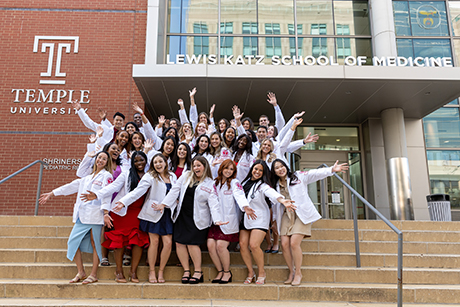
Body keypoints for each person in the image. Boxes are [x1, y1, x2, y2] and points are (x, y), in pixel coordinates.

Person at [38, 151, 113, 284]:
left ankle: (93, 274)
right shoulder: (87, 177)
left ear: (107, 162)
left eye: (104, 159)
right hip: (82, 215)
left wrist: (106, 213)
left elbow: (107, 195)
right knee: (72, 242)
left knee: (96, 243)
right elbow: (70, 186)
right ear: (96, 159)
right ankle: (81, 272)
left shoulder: (107, 176)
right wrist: (52, 193)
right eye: (99, 157)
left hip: (95, 214)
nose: (101, 160)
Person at [271, 158, 349, 286]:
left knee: (294, 243)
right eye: (277, 168)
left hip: (302, 214)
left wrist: (331, 169)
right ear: (274, 172)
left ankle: (298, 273)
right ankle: (291, 271)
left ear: (286, 166)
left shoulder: (298, 176)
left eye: (282, 166)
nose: (280, 169)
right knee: (284, 244)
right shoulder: (275, 184)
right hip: (286, 215)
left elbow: (314, 173)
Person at [153, 156, 227, 284]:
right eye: (194, 165)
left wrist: (217, 220)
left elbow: (213, 203)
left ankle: (198, 271)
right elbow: (175, 190)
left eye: (198, 165)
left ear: (205, 166)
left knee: (192, 244)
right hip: (182, 215)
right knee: (180, 243)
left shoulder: (210, 182)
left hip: (197, 218)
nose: (196, 168)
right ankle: (186, 270)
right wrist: (164, 204)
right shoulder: (186, 175)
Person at [81, 151, 150, 283]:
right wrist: (97, 194)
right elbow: (113, 186)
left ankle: (133, 271)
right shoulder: (126, 174)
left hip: (138, 213)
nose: (139, 163)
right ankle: (119, 271)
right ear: (132, 163)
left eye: (141, 160)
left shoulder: (148, 176)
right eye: (136, 161)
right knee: (119, 242)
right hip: (121, 211)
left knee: (138, 242)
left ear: (146, 161)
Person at [116, 153, 178, 283]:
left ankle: (161, 271)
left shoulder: (172, 176)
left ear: (165, 162)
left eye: (160, 161)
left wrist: (168, 203)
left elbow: (176, 192)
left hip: (167, 213)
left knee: (167, 243)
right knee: (154, 242)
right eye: (155, 162)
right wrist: (123, 202)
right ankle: (151, 272)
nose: (158, 164)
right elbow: (138, 191)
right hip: (153, 212)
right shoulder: (150, 176)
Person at [239, 160, 294, 285]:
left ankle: (261, 272)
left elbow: (272, 193)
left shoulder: (263, 185)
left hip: (260, 218)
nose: (257, 172)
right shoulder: (244, 182)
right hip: (246, 217)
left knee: (253, 245)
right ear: (251, 169)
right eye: (255, 169)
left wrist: (282, 200)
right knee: (242, 244)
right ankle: (250, 272)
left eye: (260, 170)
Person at [208, 160, 249, 284]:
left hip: (227, 221)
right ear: (221, 169)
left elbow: (240, 195)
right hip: (216, 220)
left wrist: (245, 206)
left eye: (231, 169)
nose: (229, 171)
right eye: (226, 168)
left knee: (220, 245)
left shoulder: (235, 183)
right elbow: (212, 202)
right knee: (210, 245)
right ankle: (220, 271)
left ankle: (227, 272)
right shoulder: (215, 183)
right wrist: (216, 219)